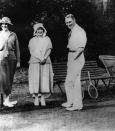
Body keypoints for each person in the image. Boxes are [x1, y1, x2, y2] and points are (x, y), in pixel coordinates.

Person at [62, 14, 87, 111]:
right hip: (71, 55)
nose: (68, 24)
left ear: (74, 20)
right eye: (67, 22)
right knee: (68, 82)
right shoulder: (72, 31)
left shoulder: (79, 31)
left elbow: (81, 48)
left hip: (77, 57)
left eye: (70, 22)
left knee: (75, 82)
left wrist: (73, 59)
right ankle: (70, 102)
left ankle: (77, 105)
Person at [28, 23, 53, 106]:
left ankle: (42, 98)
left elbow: (49, 49)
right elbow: (32, 51)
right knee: (36, 79)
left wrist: (45, 58)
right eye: (38, 30)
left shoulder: (47, 39)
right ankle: (35, 97)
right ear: (35, 31)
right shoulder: (32, 40)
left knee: (43, 80)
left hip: (45, 61)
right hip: (35, 61)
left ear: (43, 30)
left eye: (41, 29)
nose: (39, 31)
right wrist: (40, 58)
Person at [0, 17, 20, 107]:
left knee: (10, 79)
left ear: (9, 25)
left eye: (6, 24)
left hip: (12, 58)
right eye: (3, 24)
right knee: (3, 79)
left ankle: (7, 99)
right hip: (1, 57)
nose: (4, 25)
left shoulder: (13, 34)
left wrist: (18, 60)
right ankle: (4, 100)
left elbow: (17, 49)